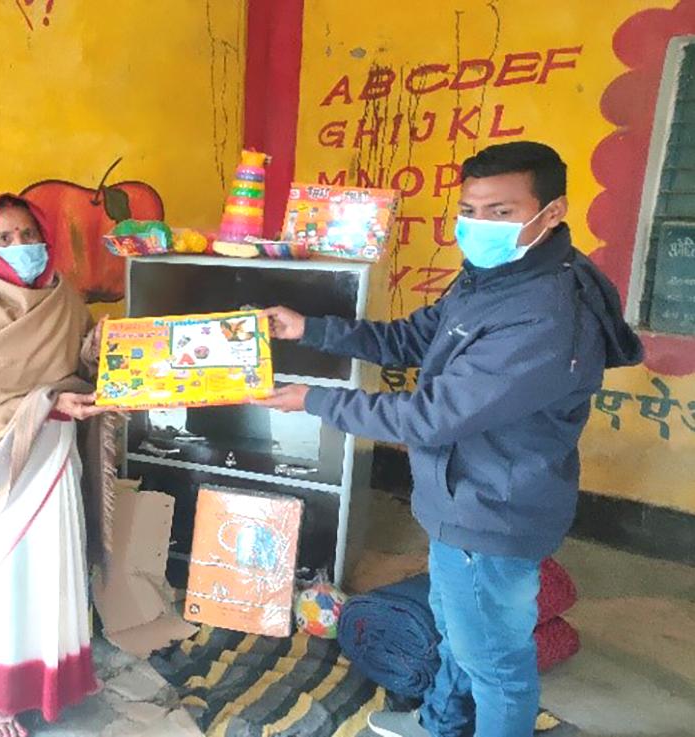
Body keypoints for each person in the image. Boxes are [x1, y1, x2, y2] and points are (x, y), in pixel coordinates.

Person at [257, 142, 643, 737]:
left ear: (553, 212)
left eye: (501, 212)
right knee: (460, 630)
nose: (478, 225)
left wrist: (313, 400)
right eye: (469, 210)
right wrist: (311, 329)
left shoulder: (543, 316)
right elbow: (412, 340)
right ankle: (441, 723)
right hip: (461, 495)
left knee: (495, 664)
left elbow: (430, 417)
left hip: (493, 510)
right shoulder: (494, 279)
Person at [0, 194, 115, 737]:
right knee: (12, 579)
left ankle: (57, 676)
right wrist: (46, 404)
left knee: (58, 570)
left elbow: (77, 367)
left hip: (56, 454)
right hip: (4, 465)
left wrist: (101, 350)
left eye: (29, 234)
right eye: (6, 239)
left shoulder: (64, 299)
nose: (22, 246)